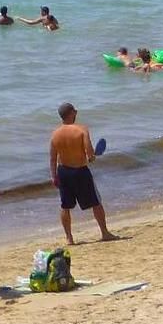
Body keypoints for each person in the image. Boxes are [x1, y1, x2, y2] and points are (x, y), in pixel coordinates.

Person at [50, 103, 116, 244]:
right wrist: (92, 157)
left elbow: (52, 158)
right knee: (96, 203)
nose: (77, 113)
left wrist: (54, 176)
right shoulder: (82, 130)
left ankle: (69, 238)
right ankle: (104, 233)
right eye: (75, 111)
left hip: (63, 172)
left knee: (65, 206)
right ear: (71, 113)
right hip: (80, 171)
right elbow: (90, 154)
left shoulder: (55, 134)